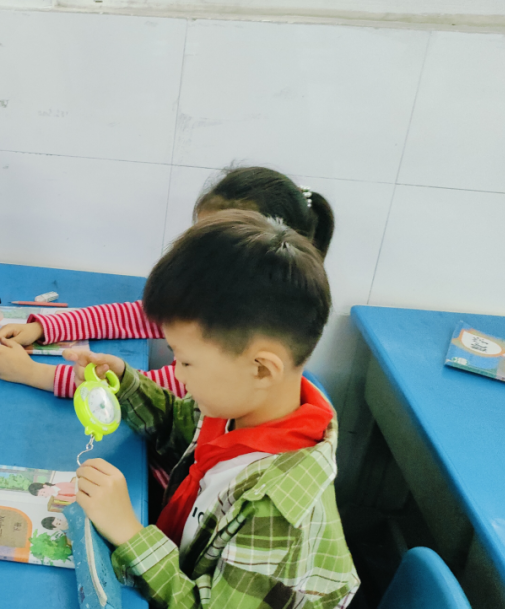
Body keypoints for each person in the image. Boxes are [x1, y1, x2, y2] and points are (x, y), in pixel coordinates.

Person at [68, 211, 358, 608]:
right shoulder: (240, 406)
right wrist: (125, 380)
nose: (177, 374)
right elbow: (176, 424)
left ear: (260, 368)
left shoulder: (279, 513)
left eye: (185, 362)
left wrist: (130, 533)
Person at [0, 166, 335, 400]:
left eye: (213, 248)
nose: (198, 258)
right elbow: (134, 316)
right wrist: (45, 326)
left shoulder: (232, 346)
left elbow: (161, 389)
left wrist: (32, 374)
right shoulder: (214, 293)